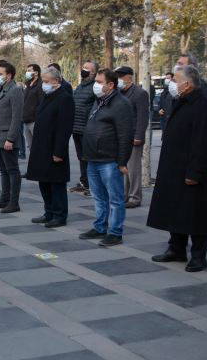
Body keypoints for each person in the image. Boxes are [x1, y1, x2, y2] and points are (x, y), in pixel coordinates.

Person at [147, 65, 207, 272]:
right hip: (173, 167)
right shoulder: (180, 101)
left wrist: (195, 172)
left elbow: (203, 143)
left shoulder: (203, 105)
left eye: (176, 80)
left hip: (191, 170)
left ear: (187, 83)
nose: (172, 84)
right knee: (174, 210)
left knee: (195, 214)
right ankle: (176, 248)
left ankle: (198, 256)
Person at [77, 69, 134, 246]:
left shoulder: (121, 104)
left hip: (109, 160)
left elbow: (125, 135)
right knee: (99, 197)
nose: (96, 85)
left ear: (110, 85)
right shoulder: (99, 101)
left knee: (115, 199)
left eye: (99, 82)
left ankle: (115, 232)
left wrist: (122, 161)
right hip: (93, 158)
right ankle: (100, 226)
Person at [27, 66, 74, 227]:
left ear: (56, 81)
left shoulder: (64, 98)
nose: (44, 84)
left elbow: (64, 127)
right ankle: (49, 212)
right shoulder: (47, 96)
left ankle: (59, 215)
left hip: (54, 148)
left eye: (47, 81)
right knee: (44, 181)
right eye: (43, 81)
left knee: (56, 183)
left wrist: (59, 151)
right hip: (42, 147)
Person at [0, 60, 24, 214]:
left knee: (12, 170)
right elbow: (2, 110)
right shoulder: (1, 89)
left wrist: (11, 139)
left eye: (0, 74)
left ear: (9, 76)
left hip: (7, 137)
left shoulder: (15, 90)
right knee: (3, 170)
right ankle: (4, 199)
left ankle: (13, 202)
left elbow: (16, 117)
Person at [115, 66, 149, 209]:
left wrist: (139, 136)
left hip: (134, 137)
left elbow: (143, 117)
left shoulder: (140, 93)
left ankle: (135, 197)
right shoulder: (118, 92)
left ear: (129, 77)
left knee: (133, 169)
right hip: (121, 136)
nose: (118, 79)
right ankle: (125, 195)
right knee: (123, 168)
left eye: (121, 77)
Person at [69, 60, 98, 195]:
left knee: (89, 157)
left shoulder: (95, 87)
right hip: (76, 128)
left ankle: (92, 185)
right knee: (81, 157)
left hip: (87, 129)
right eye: (84, 67)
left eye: (87, 68)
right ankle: (84, 182)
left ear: (94, 73)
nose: (84, 69)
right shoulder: (80, 86)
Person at [22, 63, 44, 177]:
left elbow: (41, 103)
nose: (27, 72)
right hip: (26, 121)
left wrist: (37, 117)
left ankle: (40, 170)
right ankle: (32, 170)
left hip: (35, 121)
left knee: (38, 147)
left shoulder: (40, 85)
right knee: (31, 147)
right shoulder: (28, 84)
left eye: (29, 70)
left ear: (36, 72)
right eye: (27, 70)